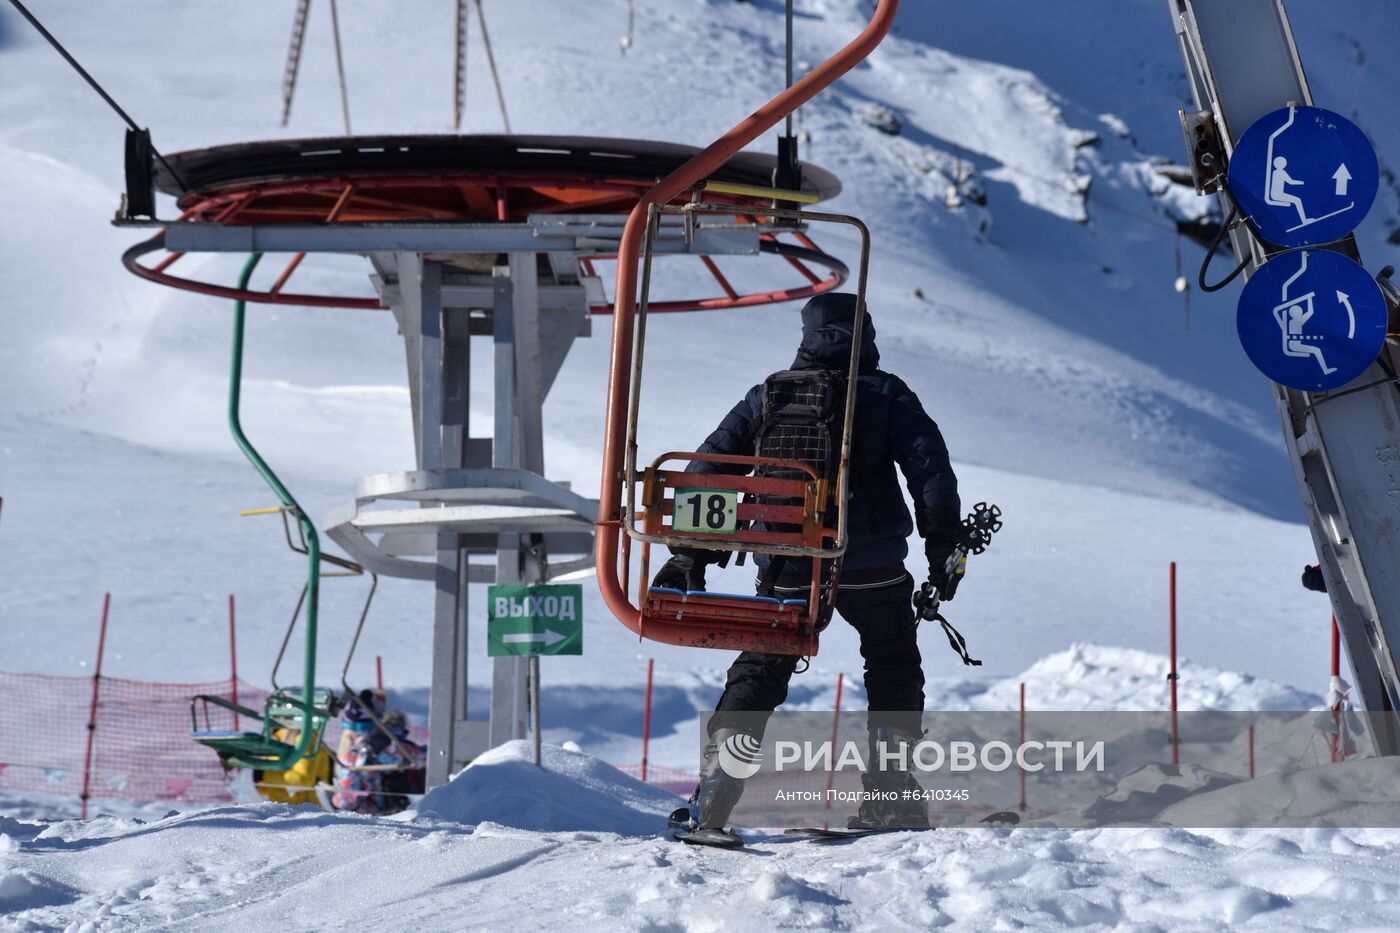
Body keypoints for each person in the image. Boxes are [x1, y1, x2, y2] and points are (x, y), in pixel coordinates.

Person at [655, 292, 962, 840]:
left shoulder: (770, 393)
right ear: (863, 334)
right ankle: (891, 798)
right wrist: (942, 549)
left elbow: (708, 470)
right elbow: (929, 470)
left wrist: (689, 555)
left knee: (760, 668)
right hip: (874, 565)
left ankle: (716, 798)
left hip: (792, 561)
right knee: (891, 664)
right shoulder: (887, 393)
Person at [333, 709, 423, 815]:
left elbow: (413, 757)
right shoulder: (376, 747)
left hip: (370, 803)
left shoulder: (400, 748)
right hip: (365, 804)